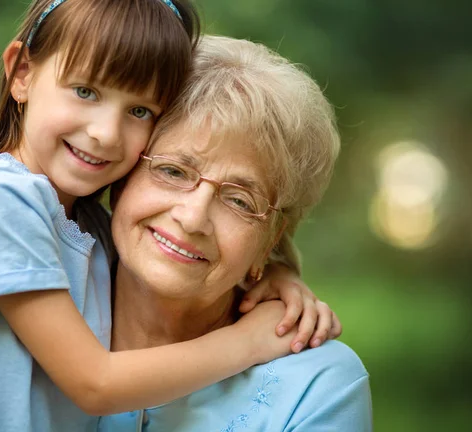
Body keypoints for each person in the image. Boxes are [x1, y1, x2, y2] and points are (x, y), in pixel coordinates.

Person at [0, 1, 341, 431]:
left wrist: (277, 275)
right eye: (86, 91)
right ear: (23, 72)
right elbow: (95, 384)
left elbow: (171, 254)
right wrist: (250, 341)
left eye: (140, 111)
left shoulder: (84, 225)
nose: (106, 133)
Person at [97, 35, 373, 431]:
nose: (193, 218)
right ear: (122, 178)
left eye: (240, 200)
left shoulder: (319, 384)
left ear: (271, 239)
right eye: (173, 171)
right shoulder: (35, 307)